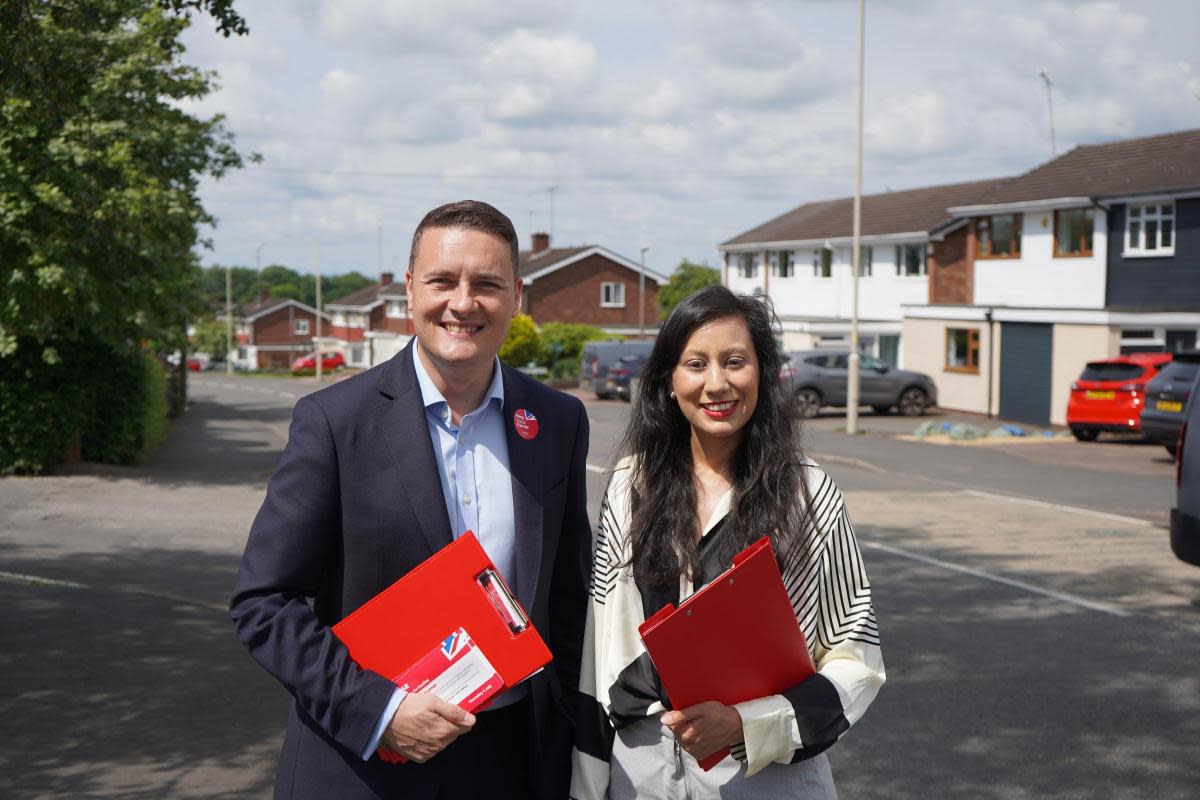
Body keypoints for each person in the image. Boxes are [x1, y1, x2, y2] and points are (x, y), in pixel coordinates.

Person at [231, 200, 592, 800]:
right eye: (442, 280)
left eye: (487, 284)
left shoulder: (557, 420)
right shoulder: (333, 422)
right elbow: (264, 602)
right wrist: (381, 711)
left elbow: (567, 597)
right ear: (409, 289)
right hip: (365, 765)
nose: (463, 302)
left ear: (517, 296)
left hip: (511, 760)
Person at [570, 285, 885, 799]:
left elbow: (856, 659)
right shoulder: (631, 484)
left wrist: (748, 723)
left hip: (766, 772)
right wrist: (587, 783)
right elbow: (598, 642)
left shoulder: (807, 492)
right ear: (669, 381)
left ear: (762, 370)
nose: (716, 384)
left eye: (734, 361)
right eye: (695, 364)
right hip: (642, 768)